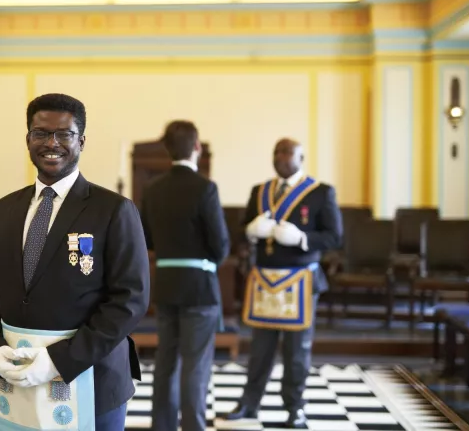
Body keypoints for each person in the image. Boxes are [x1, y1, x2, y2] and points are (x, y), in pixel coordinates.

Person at [0, 93, 150, 431]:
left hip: (90, 379)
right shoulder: (5, 209)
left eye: (64, 134)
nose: (51, 143)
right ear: (28, 140)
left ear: (80, 140)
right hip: (19, 376)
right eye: (40, 133)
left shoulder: (113, 210)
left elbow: (129, 301)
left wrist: (58, 361)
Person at [224, 138, 342, 428]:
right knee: (259, 349)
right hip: (264, 280)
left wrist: (302, 238)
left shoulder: (320, 193)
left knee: (297, 351)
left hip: (300, 281)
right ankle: (249, 403)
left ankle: (295, 408)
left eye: (288, 152)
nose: (282, 157)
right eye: (277, 151)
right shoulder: (260, 191)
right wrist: (250, 231)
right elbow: (241, 232)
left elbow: (334, 237)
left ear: (301, 158)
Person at [140, 120, 229, 431]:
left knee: (165, 362)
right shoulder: (205, 188)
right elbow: (220, 245)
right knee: (195, 365)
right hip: (199, 289)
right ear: (197, 147)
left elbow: (146, 240)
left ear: (167, 150)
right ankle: (193, 426)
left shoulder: (152, 189)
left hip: (165, 285)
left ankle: (162, 427)